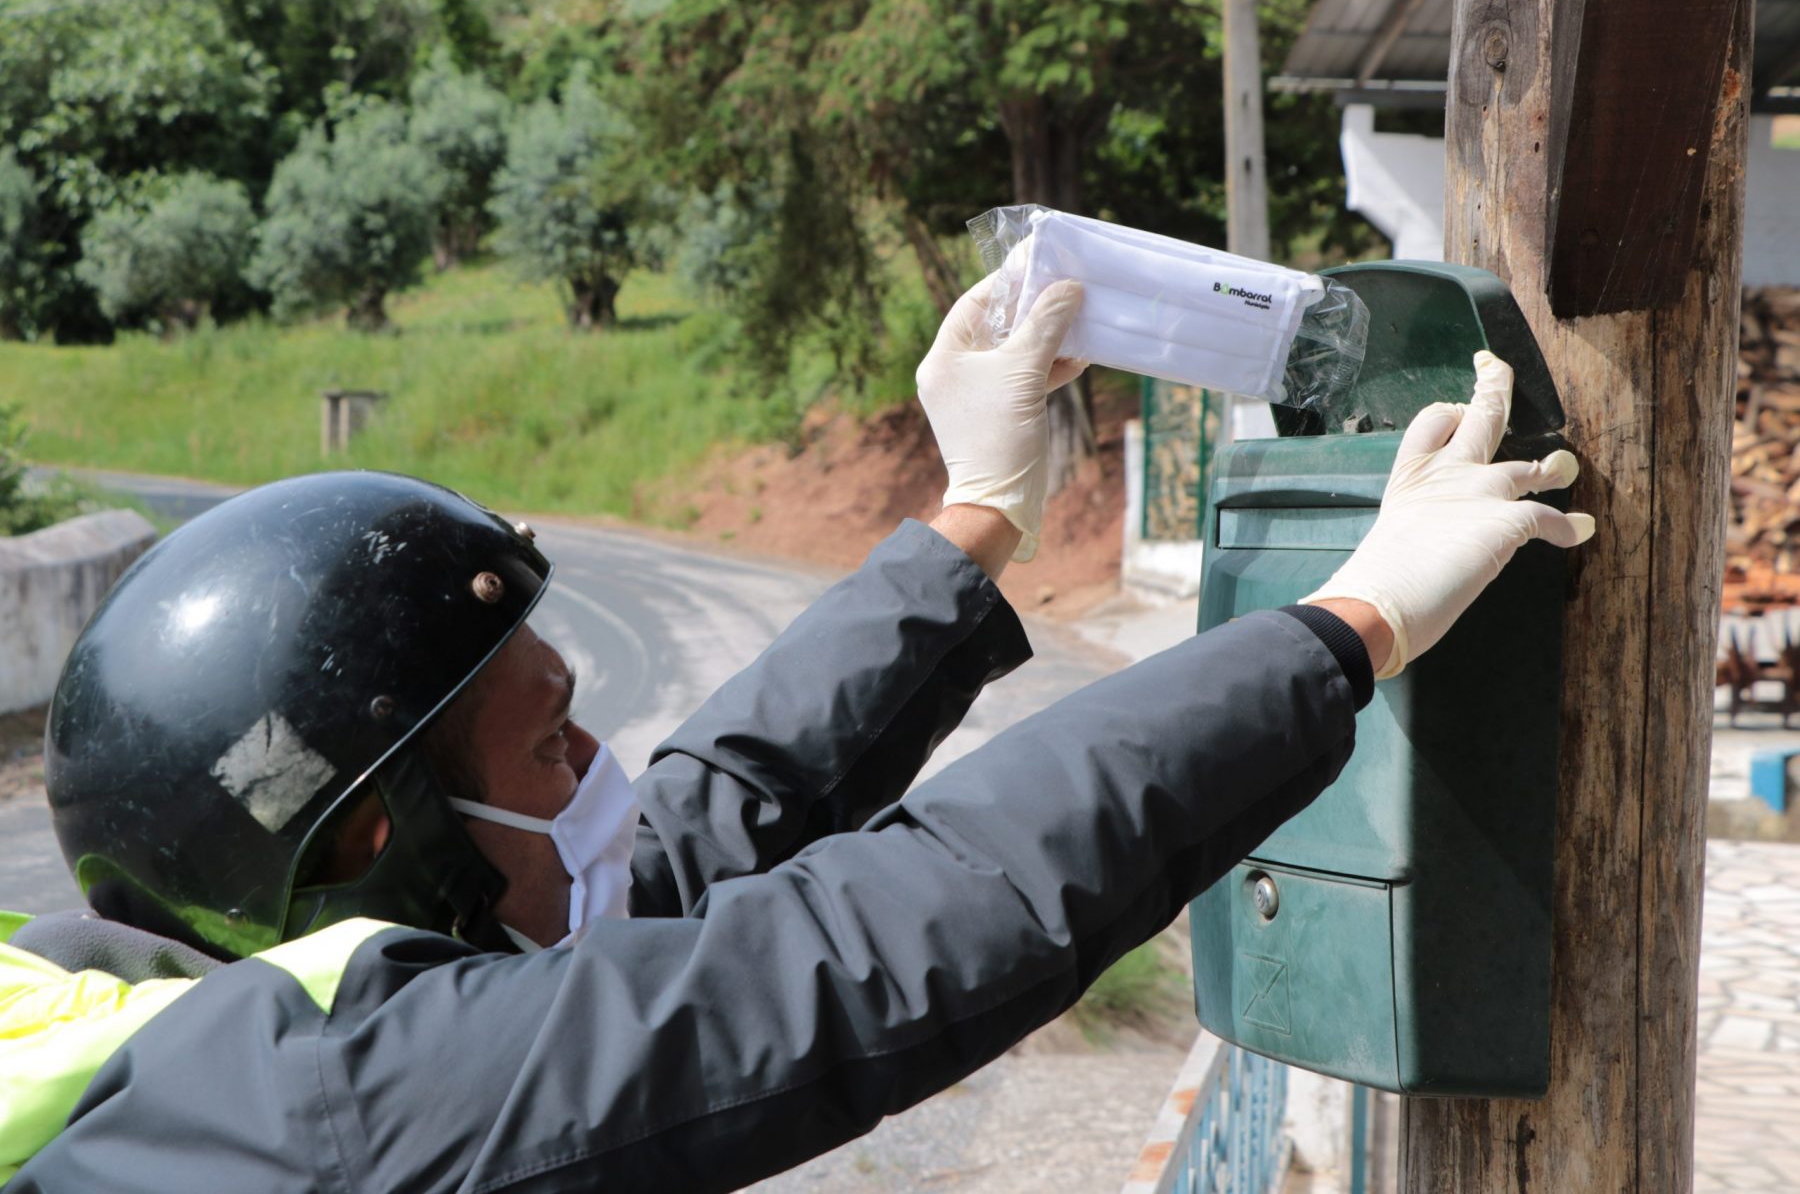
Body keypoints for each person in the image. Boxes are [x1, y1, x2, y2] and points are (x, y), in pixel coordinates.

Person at [0, 277, 1593, 1192]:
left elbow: (689, 861)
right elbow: (853, 950)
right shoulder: (337, 1115)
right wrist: (1349, 625)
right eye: (552, 749)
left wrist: (972, 523)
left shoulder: (182, 1026)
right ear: (371, 842)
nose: (600, 775)